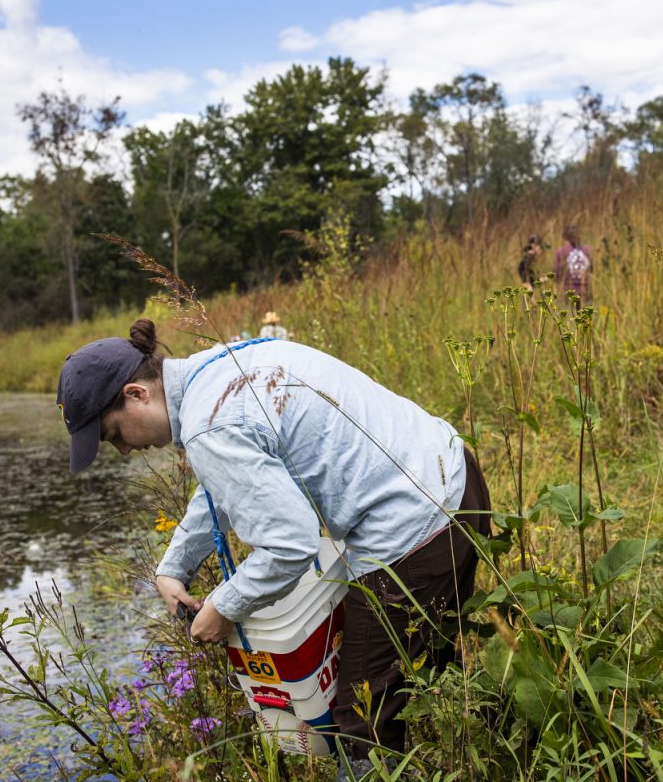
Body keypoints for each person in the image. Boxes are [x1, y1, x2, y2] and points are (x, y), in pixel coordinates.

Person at [55, 320, 491, 778]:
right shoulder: (222, 364)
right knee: (433, 666)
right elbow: (226, 485)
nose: (124, 450)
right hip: (456, 480)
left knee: (362, 726)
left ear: (136, 394)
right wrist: (174, 566)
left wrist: (223, 606)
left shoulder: (209, 425)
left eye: (113, 434)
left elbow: (291, 546)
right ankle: (493, 747)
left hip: (413, 534)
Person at [552, 224, 592, 304]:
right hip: (585, 291)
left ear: (565, 237)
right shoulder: (587, 250)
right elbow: (591, 270)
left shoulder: (561, 252)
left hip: (569, 292)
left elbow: (555, 274)